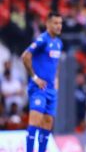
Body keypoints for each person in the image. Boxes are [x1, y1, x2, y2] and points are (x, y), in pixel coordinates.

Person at [22, 12, 63, 152]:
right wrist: (35, 78)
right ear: (47, 24)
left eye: (60, 23)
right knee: (35, 122)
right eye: (55, 23)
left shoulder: (58, 43)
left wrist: (56, 78)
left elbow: (55, 64)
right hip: (39, 88)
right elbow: (25, 56)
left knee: (47, 124)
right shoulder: (42, 40)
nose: (59, 26)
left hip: (51, 90)